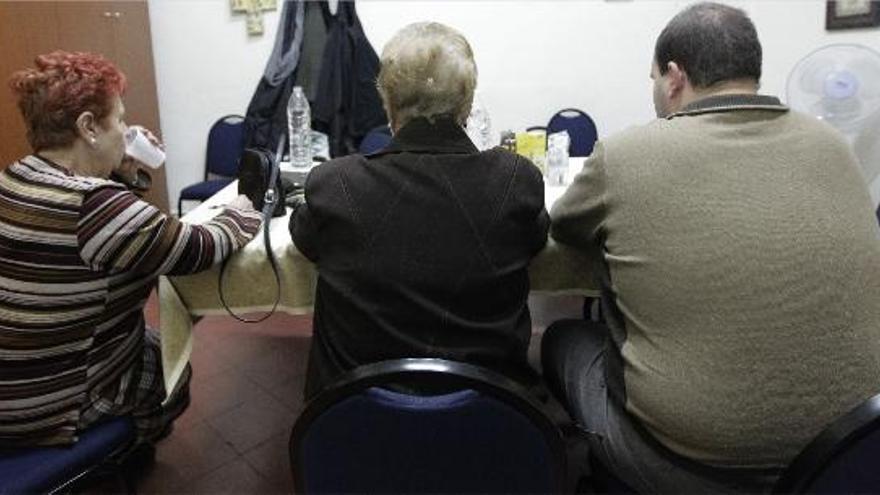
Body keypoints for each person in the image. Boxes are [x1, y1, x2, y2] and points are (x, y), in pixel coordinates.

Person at [543, 3, 880, 493]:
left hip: (690, 469)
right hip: (848, 455)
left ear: (675, 77)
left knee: (563, 339)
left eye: (654, 77)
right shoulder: (832, 144)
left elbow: (567, 230)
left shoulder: (627, 153)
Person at [0, 51, 262, 448]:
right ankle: (126, 451)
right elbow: (198, 247)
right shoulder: (94, 204)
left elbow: (109, 232)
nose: (126, 130)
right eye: (119, 119)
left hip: (12, 387)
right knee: (168, 364)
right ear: (88, 126)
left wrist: (120, 166)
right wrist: (243, 210)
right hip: (49, 409)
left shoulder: (15, 178)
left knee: (145, 339)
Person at [289, 22, 550, 399]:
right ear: (468, 104)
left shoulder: (334, 184)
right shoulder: (515, 181)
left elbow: (304, 237)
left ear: (388, 104)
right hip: (489, 423)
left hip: (351, 427)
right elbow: (536, 237)